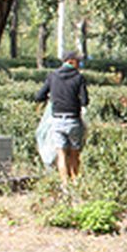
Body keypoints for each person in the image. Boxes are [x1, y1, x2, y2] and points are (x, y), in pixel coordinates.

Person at [34, 51, 89, 183]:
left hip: (57, 121)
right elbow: (85, 101)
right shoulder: (79, 78)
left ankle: (64, 184)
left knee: (61, 154)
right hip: (73, 121)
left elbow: (39, 96)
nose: (79, 65)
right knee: (75, 153)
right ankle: (75, 181)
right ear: (71, 61)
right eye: (78, 62)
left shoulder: (53, 76)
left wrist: (53, 97)